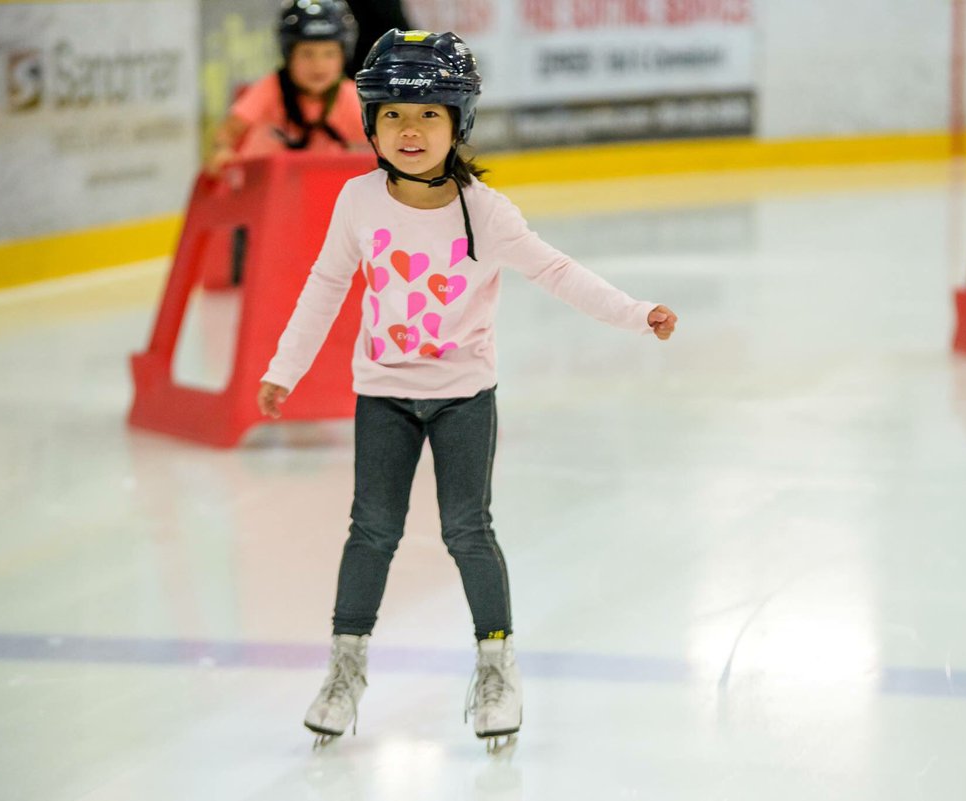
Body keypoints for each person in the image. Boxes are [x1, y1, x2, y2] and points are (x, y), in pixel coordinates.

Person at [256, 29, 679, 752]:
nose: (410, 130)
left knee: (466, 529)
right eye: (392, 114)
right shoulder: (357, 202)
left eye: (427, 114)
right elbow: (324, 287)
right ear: (370, 123)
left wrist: (637, 315)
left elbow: (557, 272)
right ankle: (346, 667)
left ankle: (495, 666)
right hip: (383, 393)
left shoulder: (485, 211)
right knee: (372, 531)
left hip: (462, 396)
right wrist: (283, 367)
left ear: (459, 122)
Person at [205, 0, 365, 175]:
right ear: (289, 55)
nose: (318, 65)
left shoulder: (350, 96)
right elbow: (229, 130)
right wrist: (221, 150)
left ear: (344, 56)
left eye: (330, 54)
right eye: (307, 54)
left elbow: (379, 142)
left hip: (325, 194)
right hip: (267, 190)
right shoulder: (272, 87)